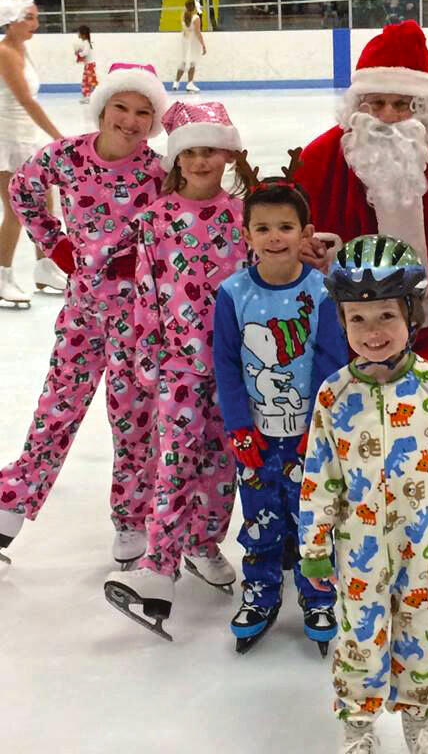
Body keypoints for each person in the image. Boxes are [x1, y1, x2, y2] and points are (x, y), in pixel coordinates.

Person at [294, 21, 428, 596]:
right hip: (359, 323)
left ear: (426, 106)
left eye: (403, 103)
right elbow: (298, 232)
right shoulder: (322, 157)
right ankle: (346, 541)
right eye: (377, 102)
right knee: (355, 428)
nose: (389, 115)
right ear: (357, 103)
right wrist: (312, 250)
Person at [300, 234, 428, 754]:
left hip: (421, 543)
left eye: (385, 317)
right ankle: (358, 721)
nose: (372, 332)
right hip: (358, 547)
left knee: (422, 631)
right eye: (358, 319)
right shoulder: (335, 394)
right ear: (342, 323)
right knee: (359, 635)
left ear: (412, 317)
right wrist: (314, 547)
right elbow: (319, 474)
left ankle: (420, 715)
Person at [0, 62, 169, 566]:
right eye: (122, 106)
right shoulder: (65, 156)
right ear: (103, 108)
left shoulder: (158, 172)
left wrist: (146, 261)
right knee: (57, 409)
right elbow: (22, 192)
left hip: (136, 323)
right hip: (81, 315)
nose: (131, 120)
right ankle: (10, 503)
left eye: (144, 112)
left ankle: (132, 517)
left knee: (133, 419)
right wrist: (54, 246)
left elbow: (176, 224)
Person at [104, 100, 249, 638]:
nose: (201, 161)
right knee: (175, 461)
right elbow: (145, 290)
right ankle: (157, 569)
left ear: (226, 154)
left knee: (223, 463)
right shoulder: (154, 219)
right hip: (178, 366)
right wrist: (148, 353)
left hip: (235, 368)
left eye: (210, 149)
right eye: (191, 152)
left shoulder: (243, 215)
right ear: (177, 159)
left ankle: (204, 543)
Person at [212, 153, 347, 655]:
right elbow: (225, 363)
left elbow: (333, 362)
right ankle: (262, 590)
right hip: (257, 435)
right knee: (261, 516)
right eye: (263, 227)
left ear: (305, 231)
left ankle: (317, 593)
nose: (274, 237)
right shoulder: (233, 293)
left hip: (309, 436)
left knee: (313, 517)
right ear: (246, 234)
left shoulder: (321, 292)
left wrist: (321, 428)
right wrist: (239, 426)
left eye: (285, 227)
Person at [0, 0, 65, 304]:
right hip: (6, 140)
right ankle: (2, 276)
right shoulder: (4, 52)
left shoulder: (21, 48)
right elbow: (26, 101)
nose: (34, 24)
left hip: (25, 138)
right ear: (11, 20)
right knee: (15, 210)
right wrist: (58, 137)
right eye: (28, 18)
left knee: (45, 204)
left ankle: (45, 267)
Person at [172, 0, 206, 93]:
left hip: (184, 40)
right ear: (194, 7)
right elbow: (198, 32)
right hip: (192, 41)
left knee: (183, 61)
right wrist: (203, 45)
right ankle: (190, 83)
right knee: (192, 62)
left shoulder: (183, 15)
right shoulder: (196, 18)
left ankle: (176, 82)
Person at [73, 25, 97, 104]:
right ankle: (87, 96)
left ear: (83, 34)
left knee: (91, 81)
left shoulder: (86, 42)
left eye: (79, 32)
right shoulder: (85, 42)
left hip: (90, 65)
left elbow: (85, 52)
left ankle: (93, 95)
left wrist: (79, 54)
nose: (78, 34)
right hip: (88, 65)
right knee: (86, 81)